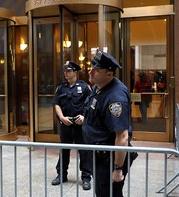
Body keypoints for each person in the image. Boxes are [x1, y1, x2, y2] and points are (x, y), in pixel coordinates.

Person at [82, 50, 136, 197]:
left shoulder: (115, 97)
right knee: (101, 192)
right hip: (98, 157)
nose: (90, 72)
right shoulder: (97, 87)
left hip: (109, 160)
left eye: (96, 70)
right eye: (91, 67)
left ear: (109, 74)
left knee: (110, 194)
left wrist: (118, 169)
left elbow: (122, 136)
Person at [51, 61, 92, 190]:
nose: (66, 73)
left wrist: (84, 117)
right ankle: (61, 175)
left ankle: (86, 178)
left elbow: (91, 104)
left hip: (80, 125)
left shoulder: (85, 87)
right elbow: (56, 104)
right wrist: (62, 118)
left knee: (84, 151)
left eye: (68, 71)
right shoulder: (61, 88)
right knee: (64, 150)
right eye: (65, 71)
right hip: (66, 124)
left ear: (75, 72)